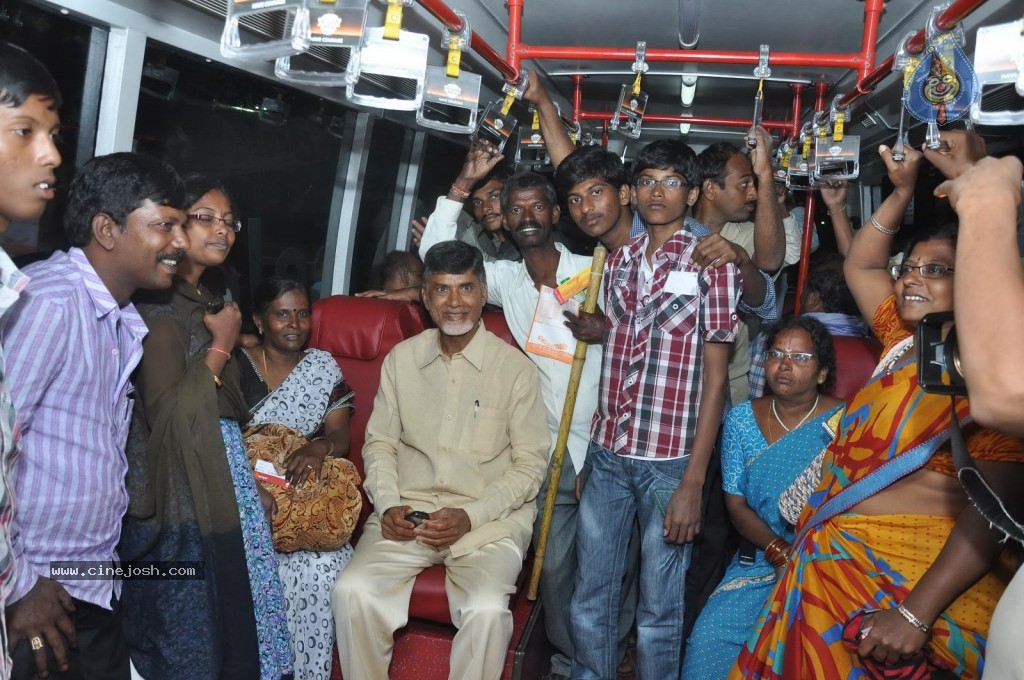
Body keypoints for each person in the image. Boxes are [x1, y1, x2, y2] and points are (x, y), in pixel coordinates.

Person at [731, 142, 1024, 679]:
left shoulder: (997, 366)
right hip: (832, 564)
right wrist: (902, 192)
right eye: (909, 267)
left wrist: (915, 613)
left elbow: (990, 512)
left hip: (913, 585)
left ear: (980, 281)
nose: (912, 278)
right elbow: (862, 261)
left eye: (936, 270)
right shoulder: (904, 339)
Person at [419, 155, 637, 679]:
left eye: (538, 206)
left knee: (612, 563)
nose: (527, 216)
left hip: (609, 443)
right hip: (549, 448)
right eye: (516, 210)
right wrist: (462, 182)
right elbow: (434, 254)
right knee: (557, 565)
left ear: (556, 213)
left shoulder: (598, 270)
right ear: (505, 221)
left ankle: (612, 652)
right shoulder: (503, 280)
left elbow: (645, 348)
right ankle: (570, 659)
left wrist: (607, 332)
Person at [3, 152, 187, 680]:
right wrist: (18, 587)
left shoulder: (119, 320)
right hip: (33, 594)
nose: (177, 242)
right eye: (164, 226)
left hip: (87, 585)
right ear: (107, 229)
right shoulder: (50, 301)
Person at [332, 241, 549, 680]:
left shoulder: (516, 370)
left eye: (466, 288)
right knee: (351, 590)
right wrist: (389, 503)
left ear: (483, 291)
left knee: (487, 611)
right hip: (408, 513)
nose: (455, 303)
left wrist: (470, 516)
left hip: (488, 521)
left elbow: (530, 468)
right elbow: (380, 445)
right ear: (425, 299)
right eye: (442, 290)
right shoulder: (402, 360)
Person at [571, 139, 740, 680]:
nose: (657, 192)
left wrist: (694, 481)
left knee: (659, 610)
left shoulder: (713, 262)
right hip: (608, 454)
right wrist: (595, 456)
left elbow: (716, 382)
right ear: (631, 191)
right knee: (590, 596)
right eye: (647, 181)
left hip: (670, 464)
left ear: (691, 193)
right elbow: (616, 356)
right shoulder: (616, 261)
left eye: (670, 182)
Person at [119, 176, 291, 680]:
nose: (223, 230)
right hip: (178, 489)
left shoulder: (212, 298)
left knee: (240, 626)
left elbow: (225, 407)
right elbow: (168, 419)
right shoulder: (160, 306)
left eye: (229, 221)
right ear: (173, 227)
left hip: (222, 470)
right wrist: (221, 344)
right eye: (206, 218)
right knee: (191, 632)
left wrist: (244, 477)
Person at [680, 316, 842, 680]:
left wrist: (800, 559)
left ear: (821, 372)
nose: (785, 365)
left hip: (826, 566)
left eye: (800, 358)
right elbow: (735, 505)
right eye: (776, 354)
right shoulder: (739, 420)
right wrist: (779, 552)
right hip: (759, 563)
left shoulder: (843, 422)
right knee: (707, 641)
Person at [236, 276, 355, 680]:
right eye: (282, 314)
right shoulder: (236, 366)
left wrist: (318, 448)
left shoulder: (322, 366)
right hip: (243, 489)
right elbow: (216, 438)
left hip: (303, 498)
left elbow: (340, 434)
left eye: (302, 313)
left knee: (322, 570)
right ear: (259, 320)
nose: (294, 323)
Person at [0, 41, 61, 680]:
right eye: (26, 131)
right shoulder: (52, 301)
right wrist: (23, 580)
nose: (50, 156)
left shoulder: (11, 291)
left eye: (53, 134)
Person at [748, 260, 868, 398]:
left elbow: (755, 397)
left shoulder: (771, 340)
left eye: (804, 291)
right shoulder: (880, 350)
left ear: (813, 298)